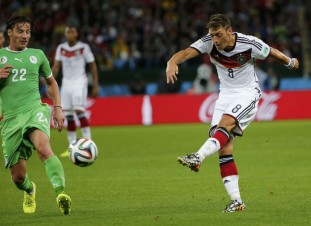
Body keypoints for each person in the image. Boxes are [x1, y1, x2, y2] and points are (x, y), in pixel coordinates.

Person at [166, 14, 299, 212]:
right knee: (224, 147)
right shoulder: (209, 43)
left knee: (224, 126)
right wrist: (172, 62)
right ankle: (237, 201)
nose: (215, 40)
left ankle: (198, 156)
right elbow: (185, 53)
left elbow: (271, 52)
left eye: (219, 35)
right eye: (212, 35)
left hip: (247, 94)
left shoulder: (249, 43)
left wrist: (289, 61)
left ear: (229, 31)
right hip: (225, 96)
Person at [0, 13, 71, 215]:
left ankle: (61, 194)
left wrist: (57, 108)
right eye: (20, 31)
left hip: (34, 110)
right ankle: (30, 190)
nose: (25, 35)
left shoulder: (37, 55)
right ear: (10, 32)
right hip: (10, 120)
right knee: (18, 178)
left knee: (43, 147)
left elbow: (51, 83)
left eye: (28, 32)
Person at [52, 25, 99, 157]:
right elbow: (56, 67)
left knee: (79, 111)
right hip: (66, 84)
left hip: (80, 82)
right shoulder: (61, 48)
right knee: (69, 116)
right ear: (66, 34)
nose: (70, 34)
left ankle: (89, 144)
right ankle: (72, 147)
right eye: (68, 32)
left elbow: (93, 66)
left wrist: (95, 84)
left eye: (72, 31)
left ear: (77, 34)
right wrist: (49, 79)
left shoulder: (84, 47)